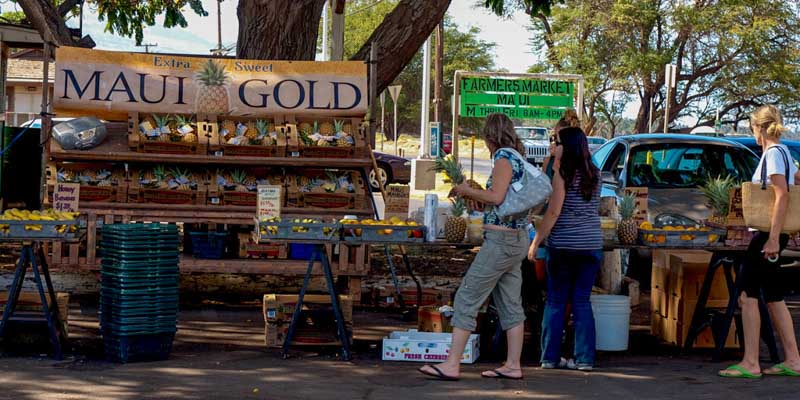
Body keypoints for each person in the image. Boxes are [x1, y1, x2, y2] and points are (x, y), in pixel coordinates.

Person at [418, 113, 529, 381]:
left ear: (490, 135)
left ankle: (452, 364)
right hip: (516, 239)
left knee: (467, 297)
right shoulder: (519, 158)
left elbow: (496, 196)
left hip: (501, 241)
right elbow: (503, 201)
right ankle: (513, 364)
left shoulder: (504, 158)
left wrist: (467, 191)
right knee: (510, 303)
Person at [719, 105, 800, 379]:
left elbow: (783, 195)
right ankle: (793, 358)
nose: (752, 133)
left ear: (760, 127)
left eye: (752, 127)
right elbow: (794, 183)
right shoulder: (784, 153)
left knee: (747, 296)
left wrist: (775, 238)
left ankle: (751, 362)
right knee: (775, 297)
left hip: (766, 236)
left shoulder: (774, 154)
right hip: (773, 235)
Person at [528, 126, 602, 372]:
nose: (553, 146)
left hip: (563, 246)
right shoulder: (595, 173)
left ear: (566, 147)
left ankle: (549, 357)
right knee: (582, 301)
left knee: (556, 301)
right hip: (590, 245)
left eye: (556, 142)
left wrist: (537, 240)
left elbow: (554, 211)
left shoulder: (563, 174)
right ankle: (584, 359)